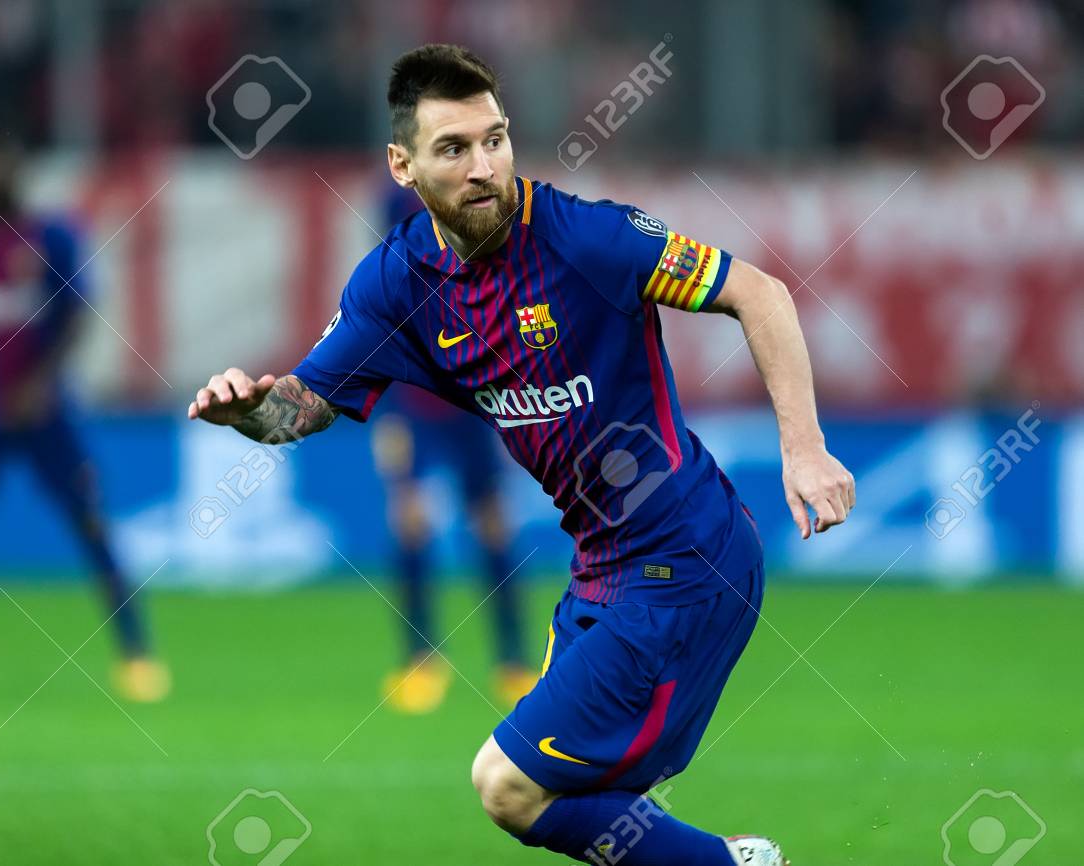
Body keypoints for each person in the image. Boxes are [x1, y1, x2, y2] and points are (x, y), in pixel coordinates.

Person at [189, 44, 854, 865]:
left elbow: (760, 293)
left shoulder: (590, 239)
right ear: (402, 165)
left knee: (507, 784)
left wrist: (805, 449)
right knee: (582, 805)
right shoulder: (396, 284)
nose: (484, 168)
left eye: (494, 140)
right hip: (600, 571)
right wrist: (249, 412)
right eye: (453, 148)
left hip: (683, 559)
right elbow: (300, 407)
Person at [0, 142, 170, 704]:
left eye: (1, 164)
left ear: (19, 174)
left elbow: (76, 317)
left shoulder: (51, 237)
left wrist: (39, 383)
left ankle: (135, 651)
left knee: (91, 520)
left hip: (47, 411)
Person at [373, 183, 535, 714]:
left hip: (473, 405)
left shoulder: (483, 232)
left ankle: (514, 660)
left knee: (493, 525)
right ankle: (419, 659)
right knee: (411, 522)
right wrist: (387, 419)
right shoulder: (391, 267)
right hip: (413, 406)